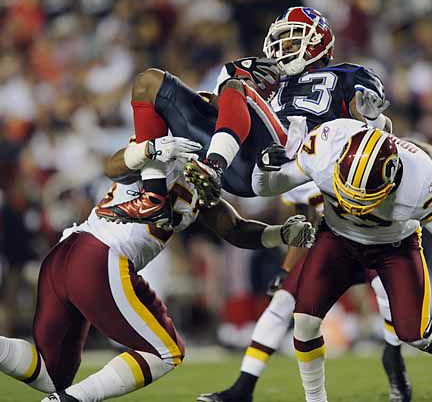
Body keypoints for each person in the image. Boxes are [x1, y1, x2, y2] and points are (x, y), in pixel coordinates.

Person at [0, 138, 315, 402]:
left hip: (65, 255)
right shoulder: (163, 149)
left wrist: (281, 234)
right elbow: (114, 165)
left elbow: (235, 229)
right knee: (166, 351)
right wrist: (148, 149)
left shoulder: (197, 181)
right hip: (99, 257)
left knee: (50, 374)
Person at [251, 119, 432, 402]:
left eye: (364, 199)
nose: (354, 205)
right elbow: (264, 187)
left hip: (393, 247)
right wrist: (261, 167)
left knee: (416, 333)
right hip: (337, 237)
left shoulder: (419, 179)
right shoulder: (327, 146)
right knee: (304, 321)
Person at [95, 6, 391, 223]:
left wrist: (373, 119)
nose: (281, 47)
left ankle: (212, 166)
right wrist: (228, 76)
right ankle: (153, 196)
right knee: (150, 82)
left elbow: (373, 130)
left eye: (291, 40)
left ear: (316, 41)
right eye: (280, 40)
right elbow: (217, 105)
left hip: (285, 155)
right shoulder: (269, 76)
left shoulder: (348, 73)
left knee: (238, 86)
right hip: (241, 155)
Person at [197, 181, 412, 402]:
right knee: (282, 303)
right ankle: (243, 387)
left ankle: (394, 361)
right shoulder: (295, 169)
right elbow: (304, 225)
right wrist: (286, 269)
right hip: (329, 248)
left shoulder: (344, 151)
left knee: (387, 290)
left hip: (369, 238)